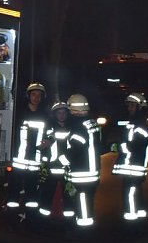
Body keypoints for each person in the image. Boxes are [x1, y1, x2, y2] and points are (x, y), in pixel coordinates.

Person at [6, 83, 49, 222]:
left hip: (34, 162)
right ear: (28, 96)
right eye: (34, 94)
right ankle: (11, 220)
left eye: (39, 95)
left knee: (32, 197)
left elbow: (50, 133)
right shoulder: (19, 114)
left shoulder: (45, 116)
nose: (36, 98)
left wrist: (48, 141)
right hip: (18, 161)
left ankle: (31, 222)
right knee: (14, 193)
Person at [112, 93, 148, 222]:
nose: (129, 108)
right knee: (136, 190)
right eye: (128, 105)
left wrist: (120, 146)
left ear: (140, 107)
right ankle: (140, 215)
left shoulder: (141, 125)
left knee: (130, 192)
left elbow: (135, 145)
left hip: (134, 165)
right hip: (131, 165)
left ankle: (132, 220)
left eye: (132, 105)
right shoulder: (134, 122)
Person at [65, 94, 102, 228]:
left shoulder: (78, 127)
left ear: (75, 110)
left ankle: (83, 229)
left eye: (70, 110)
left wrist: (62, 160)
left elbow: (76, 149)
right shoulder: (91, 123)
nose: (69, 113)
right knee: (87, 199)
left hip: (82, 171)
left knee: (82, 200)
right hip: (92, 171)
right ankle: (84, 225)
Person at [38, 101, 73, 220]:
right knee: (47, 195)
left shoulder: (71, 128)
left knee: (68, 196)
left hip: (67, 169)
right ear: (54, 114)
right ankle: (43, 221)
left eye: (64, 113)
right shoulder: (49, 128)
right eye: (59, 113)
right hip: (51, 168)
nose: (62, 115)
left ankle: (69, 222)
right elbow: (44, 143)